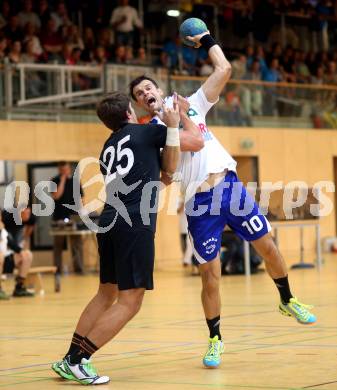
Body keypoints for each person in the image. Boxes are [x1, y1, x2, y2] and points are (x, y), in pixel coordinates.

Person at [129, 28, 316, 369]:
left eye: (148, 88)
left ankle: (287, 299)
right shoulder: (150, 134)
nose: (145, 94)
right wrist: (176, 121)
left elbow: (224, 70)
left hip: (230, 187)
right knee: (210, 275)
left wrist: (206, 40)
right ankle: (215, 339)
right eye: (140, 94)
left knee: (269, 248)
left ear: (157, 88)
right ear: (139, 103)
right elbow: (169, 173)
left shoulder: (194, 102)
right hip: (200, 205)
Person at [51, 91, 180, 384]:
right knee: (130, 301)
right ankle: (77, 360)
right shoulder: (148, 132)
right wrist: (171, 126)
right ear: (129, 114)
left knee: (105, 293)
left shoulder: (108, 146)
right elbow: (170, 167)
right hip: (134, 222)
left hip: (109, 220)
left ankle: (69, 358)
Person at [51, 162, 84, 275]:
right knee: (58, 244)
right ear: (59, 170)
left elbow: (81, 198)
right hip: (59, 216)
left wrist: (83, 212)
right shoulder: (54, 180)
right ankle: (57, 270)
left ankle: (79, 269)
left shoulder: (75, 181)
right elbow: (56, 196)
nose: (64, 171)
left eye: (66, 169)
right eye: (62, 170)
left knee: (77, 244)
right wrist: (63, 180)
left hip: (74, 216)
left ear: (69, 169)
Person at [0, 208, 35, 297]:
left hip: (5, 259)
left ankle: (19, 287)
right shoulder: (7, 221)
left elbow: (9, 241)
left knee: (27, 255)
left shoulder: (3, 229)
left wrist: (21, 250)